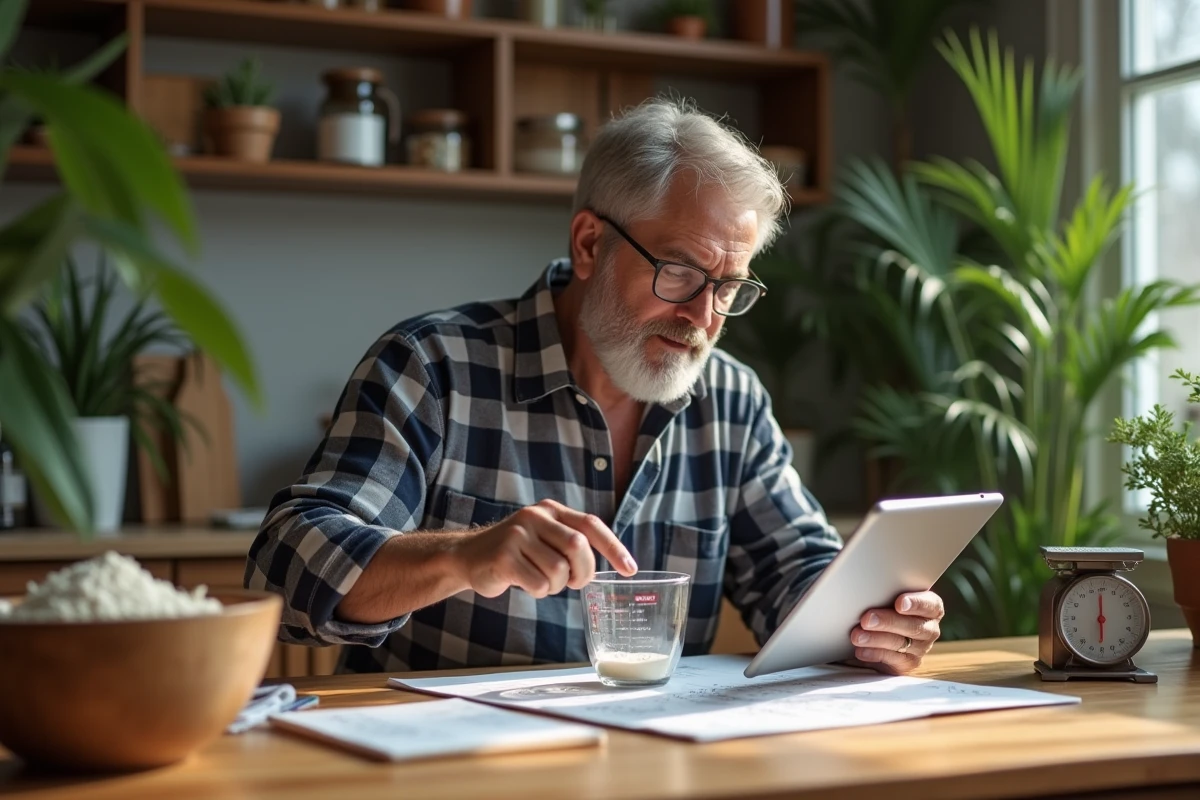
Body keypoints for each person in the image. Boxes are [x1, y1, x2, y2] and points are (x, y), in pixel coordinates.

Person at [245, 97, 944, 675]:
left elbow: (797, 571)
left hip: (656, 763)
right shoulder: (434, 368)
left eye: (728, 287)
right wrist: (463, 557)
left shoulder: (731, 401)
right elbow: (284, 566)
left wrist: (872, 621)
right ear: (588, 245)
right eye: (679, 273)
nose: (703, 317)